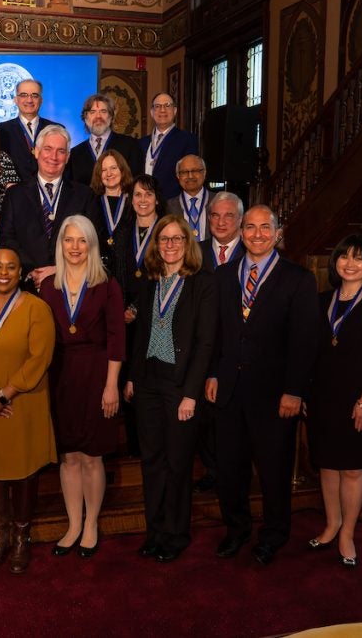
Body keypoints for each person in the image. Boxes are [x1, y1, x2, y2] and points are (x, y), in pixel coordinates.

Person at [205, 205, 319, 566]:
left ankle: (273, 534)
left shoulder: (298, 279)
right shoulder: (223, 276)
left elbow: (305, 341)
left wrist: (295, 390)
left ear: (277, 232)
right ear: (240, 230)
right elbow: (215, 332)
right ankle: (236, 529)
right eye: (250, 227)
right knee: (230, 468)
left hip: (275, 395)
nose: (256, 234)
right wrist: (211, 373)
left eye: (264, 227)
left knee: (273, 469)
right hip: (229, 389)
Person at [123, 215, 217, 563]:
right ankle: (155, 531)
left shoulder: (202, 283)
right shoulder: (149, 282)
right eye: (164, 239)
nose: (171, 245)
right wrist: (132, 376)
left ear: (187, 243)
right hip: (148, 381)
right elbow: (140, 335)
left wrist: (191, 394)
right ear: (156, 244)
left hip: (180, 386)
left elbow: (206, 343)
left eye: (177, 239)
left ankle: (176, 533)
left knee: (178, 463)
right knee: (152, 461)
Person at [0, 248, 57, 574]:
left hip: (22, 405)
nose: (4, 272)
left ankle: (21, 537)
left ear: (20, 272)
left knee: (23, 471)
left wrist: (3, 395)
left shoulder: (37, 309)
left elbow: (39, 359)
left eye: (11, 267)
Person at [305, 234, 362, 569]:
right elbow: (312, 351)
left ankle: (348, 534)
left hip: (357, 398)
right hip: (322, 395)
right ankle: (331, 525)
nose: (350, 263)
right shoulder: (321, 299)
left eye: (359, 258)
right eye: (345, 256)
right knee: (327, 465)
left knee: (352, 468)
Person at [38, 216, 125, 559]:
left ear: (92, 244)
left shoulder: (107, 285)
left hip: (97, 374)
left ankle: (91, 525)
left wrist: (112, 385)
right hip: (61, 376)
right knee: (69, 455)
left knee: (92, 456)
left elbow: (118, 339)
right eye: (68, 240)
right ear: (60, 245)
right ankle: (73, 524)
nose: (75, 248)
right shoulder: (48, 286)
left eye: (82, 241)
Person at [0, 124, 99, 292]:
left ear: (67, 157)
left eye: (60, 151)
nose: (54, 157)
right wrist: (32, 270)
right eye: (48, 149)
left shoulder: (85, 195)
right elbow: (5, 238)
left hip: (71, 287)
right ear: (36, 152)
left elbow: (92, 240)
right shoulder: (15, 194)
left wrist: (59, 269)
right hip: (26, 285)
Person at [192, 190, 245, 494]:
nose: (221, 221)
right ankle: (212, 468)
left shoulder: (251, 254)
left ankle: (231, 470)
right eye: (215, 215)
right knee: (202, 418)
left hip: (233, 352)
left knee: (230, 419)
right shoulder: (194, 252)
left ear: (239, 220)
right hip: (198, 348)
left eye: (229, 216)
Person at [110, 174, 164, 457]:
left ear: (157, 199)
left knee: (148, 379)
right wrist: (121, 308)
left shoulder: (166, 231)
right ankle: (133, 444)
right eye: (138, 195)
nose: (143, 200)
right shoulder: (122, 231)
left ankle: (150, 442)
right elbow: (115, 274)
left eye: (148, 194)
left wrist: (137, 309)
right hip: (124, 319)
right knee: (126, 379)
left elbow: (166, 277)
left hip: (156, 316)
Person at [66, 93, 141, 188]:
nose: (98, 116)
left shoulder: (130, 145)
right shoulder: (75, 154)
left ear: (111, 116)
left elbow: (137, 183)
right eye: (92, 112)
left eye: (103, 111)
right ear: (85, 118)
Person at [0, 79, 63, 184]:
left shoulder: (56, 129)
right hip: (14, 194)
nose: (29, 100)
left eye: (35, 95)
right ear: (16, 100)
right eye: (23, 95)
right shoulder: (0, 131)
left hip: (49, 193)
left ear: (41, 100)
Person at [138, 93, 199, 200]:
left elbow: (189, 175)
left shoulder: (186, 139)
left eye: (167, 106)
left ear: (175, 111)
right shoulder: (141, 143)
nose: (162, 110)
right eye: (157, 106)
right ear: (152, 113)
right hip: (144, 203)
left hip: (171, 203)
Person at [90, 150, 133, 269]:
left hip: (127, 268)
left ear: (122, 170)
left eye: (114, 168)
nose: (109, 173)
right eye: (104, 170)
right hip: (99, 268)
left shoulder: (133, 202)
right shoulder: (92, 203)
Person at [165, 155, 210, 242]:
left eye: (195, 171)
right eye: (184, 172)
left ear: (204, 173)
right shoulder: (168, 206)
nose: (190, 176)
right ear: (178, 176)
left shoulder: (218, 201)